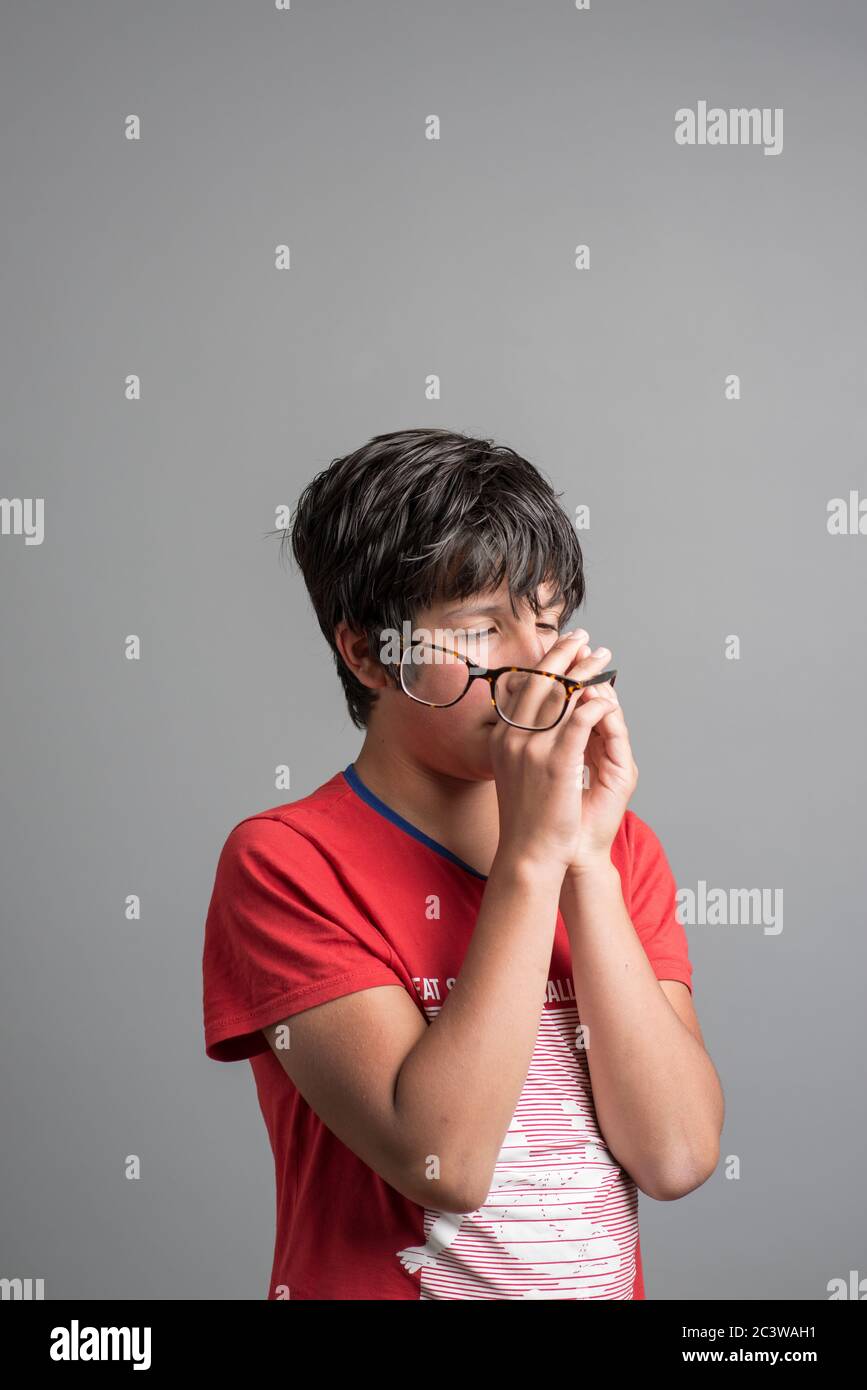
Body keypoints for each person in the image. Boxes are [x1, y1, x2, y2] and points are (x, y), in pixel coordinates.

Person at [201, 427, 724, 1300]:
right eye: (481, 628)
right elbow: (440, 1161)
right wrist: (530, 862)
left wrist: (584, 864)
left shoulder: (618, 849)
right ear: (365, 653)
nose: (536, 663)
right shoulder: (286, 863)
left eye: (549, 621)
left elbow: (674, 1156)